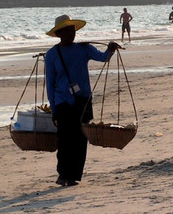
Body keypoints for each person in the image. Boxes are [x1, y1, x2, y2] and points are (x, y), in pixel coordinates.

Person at [45, 15, 120, 187]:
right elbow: (49, 84)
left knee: (80, 139)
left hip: (83, 100)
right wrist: (54, 108)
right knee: (65, 138)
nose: (71, 33)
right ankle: (63, 174)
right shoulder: (52, 55)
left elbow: (103, 58)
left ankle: (73, 176)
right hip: (63, 101)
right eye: (67, 30)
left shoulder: (84, 49)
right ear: (59, 33)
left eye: (73, 30)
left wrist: (111, 49)